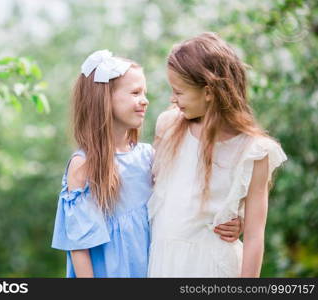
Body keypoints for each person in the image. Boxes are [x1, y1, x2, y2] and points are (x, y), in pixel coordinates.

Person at [52, 49, 241, 278]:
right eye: (135, 93)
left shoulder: (147, 157)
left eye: (145, 92)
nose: (145, 101)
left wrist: (233, 221)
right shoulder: (83, 166)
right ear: (104, 98)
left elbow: (184, 201)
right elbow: (79, 247)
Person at [148, 32, 287, 277]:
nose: (172, 99)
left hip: (214, 269)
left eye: (179, 92)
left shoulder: (254, 151)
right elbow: (156, 194)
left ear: (209, 92)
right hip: (164, 264)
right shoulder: (168, 127)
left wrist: (239, 218)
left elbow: (255, 237)